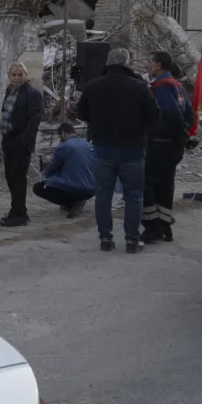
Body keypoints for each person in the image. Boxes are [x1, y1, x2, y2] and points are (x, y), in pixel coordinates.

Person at [75, 47, 159, 253]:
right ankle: (132, 239)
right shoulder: (139, 87)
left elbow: (82, 112)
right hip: (133, 149)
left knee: (103, 194)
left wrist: (99, 125)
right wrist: (140, 129)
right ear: (127, 63)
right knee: (134, 195)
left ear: (108, 63)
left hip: (103, 148)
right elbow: (154, 116)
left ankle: (105, 238)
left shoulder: (93, 86)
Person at [143, 51, 194, 244]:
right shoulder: (178, 85)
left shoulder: (162, 87)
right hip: (172, 146)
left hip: (160, 143)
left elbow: (171, 112)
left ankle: (152, 227)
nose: (147, 64)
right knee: (166, 185)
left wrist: (180, 134)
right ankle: (165, 227)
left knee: (148, 184)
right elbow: (189, 114)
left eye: (150, 61)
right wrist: (185, 135)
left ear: (158, 65)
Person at [0, 62, 44, 228]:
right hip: (8, 139)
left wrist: (25, 141)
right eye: (14, 75)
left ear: (25, 75)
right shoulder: (10, 90)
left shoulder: (32, 94)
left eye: (20, 75)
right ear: (9, 76)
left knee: (18, 178)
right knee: (10, 176)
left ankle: (19, 214)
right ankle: (16, 209)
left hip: (19, 141)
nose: (17, 78)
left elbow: (34, 119)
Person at [33, 123, 97, 217]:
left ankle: (70, 203)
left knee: (38, 187)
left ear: (63, 133)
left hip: (74, 188)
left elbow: (50, 170)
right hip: (91, 190)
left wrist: (45, 172)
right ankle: (77, 201)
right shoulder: (89, 145)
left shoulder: (63, 147)